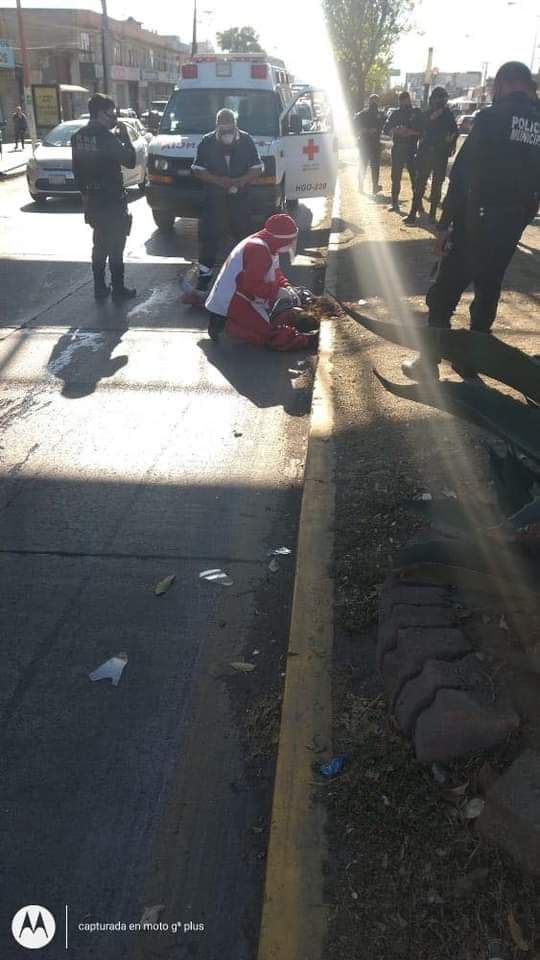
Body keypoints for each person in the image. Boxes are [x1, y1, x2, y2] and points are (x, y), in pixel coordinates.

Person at [402, 61, 540, 381]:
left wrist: (444, 225)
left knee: (446, 288)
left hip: (475, 222)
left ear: (504, 83)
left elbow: (463, 174)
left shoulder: (491, 119)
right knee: (488, 286)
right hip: (511, 225)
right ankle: (470, 362)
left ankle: (430, 360)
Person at [204, 213, 318, 351]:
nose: (291, 244)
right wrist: (276, 292)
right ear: (281, 240)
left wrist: (287, 287)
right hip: (235, 300)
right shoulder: (258, 250)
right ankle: (225, 327)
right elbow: (252, 285)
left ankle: (231, 323)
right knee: (271, 333)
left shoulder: (268, 244)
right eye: (290, 241)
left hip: (244, 295)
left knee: (281, 314)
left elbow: (275, 273)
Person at [72, 94, 137, 301]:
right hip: (112, 200)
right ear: (101, 113)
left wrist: (85, 199)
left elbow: (77, 172)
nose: (114, 118)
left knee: (99, 244)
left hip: (92, 199)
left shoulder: (78, 137)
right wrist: (125, 137)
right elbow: (130, 160)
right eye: (112, 113)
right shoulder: (107, 138)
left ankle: (99, 287)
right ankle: (118, 288)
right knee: (116, 246)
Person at [191, 108, 264, 293]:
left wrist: (242, 181)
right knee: (209, 239)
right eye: (223, 131)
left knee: (245, 238)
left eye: (230, 131)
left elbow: (257, 167)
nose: (227, 135)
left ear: (235, 126)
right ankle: (204, 279)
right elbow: (197, 169)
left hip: (240, 199)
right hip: (214, 201)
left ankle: (248, 278)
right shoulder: (207, 142)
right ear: (217, 127)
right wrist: (219, 181)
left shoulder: (246, 140)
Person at [403, 86, 458, 224]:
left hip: (441, 154)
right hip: (426, 152)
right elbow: (416, 125)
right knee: (420, 184)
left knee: (437, 185)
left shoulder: (448, 115)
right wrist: (431, 117)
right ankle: (412, 213)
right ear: (432, 100)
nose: (440, 102)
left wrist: (451, 139)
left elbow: (455, 131)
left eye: (442, 99)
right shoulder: (427, 113)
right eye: (437, 99)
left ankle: (432, 215)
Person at [384, 92, 423, 211]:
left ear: (409, 100)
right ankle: (394, 202)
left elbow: (423, 130)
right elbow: (386, 129)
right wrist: (395, 130)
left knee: (415, 177)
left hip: (412, 147)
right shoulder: (396, 113)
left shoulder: (416, 113)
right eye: (401, 101)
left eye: (405, 100)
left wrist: (410, 132)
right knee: (395, 176)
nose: (403, 103)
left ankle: (418, 203)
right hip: (399, 147)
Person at [354, 94, 385, 194]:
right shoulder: (375, 114)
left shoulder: (363, 113)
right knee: (372, 166)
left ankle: (363, 186)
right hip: (371, 143)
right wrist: (365, 130)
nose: (374, 104)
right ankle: (372, 187)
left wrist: (363, 130)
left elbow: (383, 126)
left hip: (368, 143)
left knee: (365, 165)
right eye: (374, 101)